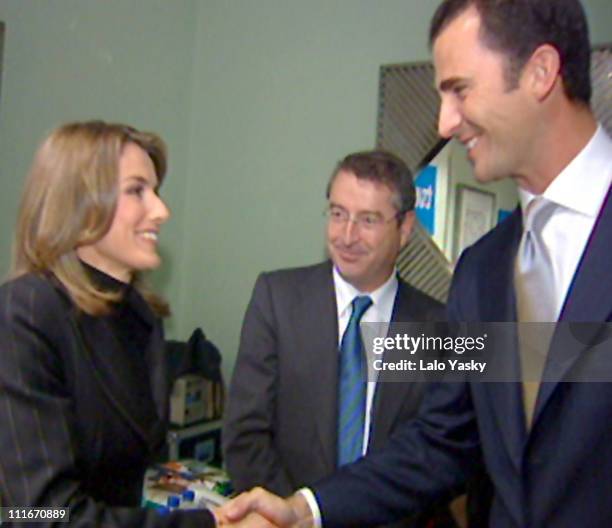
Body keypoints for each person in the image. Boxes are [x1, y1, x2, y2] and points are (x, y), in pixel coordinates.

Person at [217, 0, 612, 526]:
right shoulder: (485, 270)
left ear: (541, 72)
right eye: (337, 213)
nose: (445, 122)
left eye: (460, 89)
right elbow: (447, 442)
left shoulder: (430, 317)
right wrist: (306, 510)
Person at [223, 150, 456, 527]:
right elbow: (246, 435)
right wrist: (298, 519)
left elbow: (439, 456)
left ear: (406, 227)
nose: (347, 236)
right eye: (337, 214)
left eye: (368, 220)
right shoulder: (278, 299)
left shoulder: (437, 327)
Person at [0, 121, 215, 527]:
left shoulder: (137, 315)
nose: (161, 211)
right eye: (137, 191)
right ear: (78, 204)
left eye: (156, 191)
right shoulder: (25, 311)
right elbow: (40, 514)